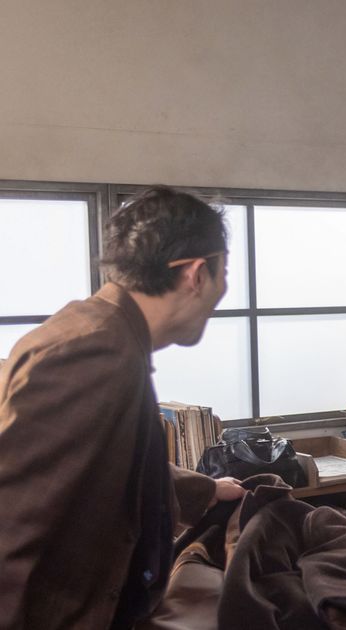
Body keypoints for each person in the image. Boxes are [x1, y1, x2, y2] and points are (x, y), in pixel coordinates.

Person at [0, 186, 245, 629]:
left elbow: (94, 462)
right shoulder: (94, 353)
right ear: (196, 274)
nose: (224, 289)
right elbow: (11, 517)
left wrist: (204, 490)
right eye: (223, 273)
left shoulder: (102, 330)